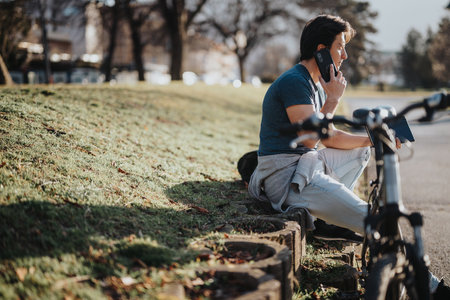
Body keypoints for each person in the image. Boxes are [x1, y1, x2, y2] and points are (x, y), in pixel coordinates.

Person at [248, 14, 450, 299]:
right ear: (321, 51)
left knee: (363, 151)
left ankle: (330, 219)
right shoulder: (295, 82)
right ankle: (428, 287)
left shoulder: (314, 82)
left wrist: (376, 138)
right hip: (287, 179)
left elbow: (329, 137)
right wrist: (332, 100)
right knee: (378, 223)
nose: (346, 54)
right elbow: (309, 137)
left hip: (306, 165)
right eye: (340, 46)